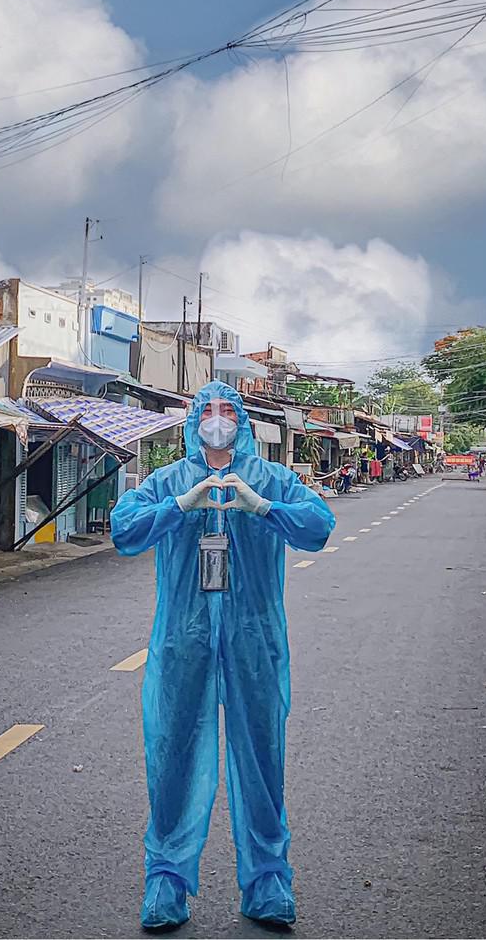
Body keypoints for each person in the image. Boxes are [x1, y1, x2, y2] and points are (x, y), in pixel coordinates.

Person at [111, 381, 336, 930]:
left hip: (254, 640)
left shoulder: (272, 479)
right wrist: (178, 506)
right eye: (207, 410)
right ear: (193, 421)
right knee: (173, 754)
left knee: (261, 755)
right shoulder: (169, 480)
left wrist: (262, 507)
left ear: (241, 420)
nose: (217, 419)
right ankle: (165, 881)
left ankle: (267, 880)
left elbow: (318, 526)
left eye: (226, 410)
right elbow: (124, 530)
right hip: (183, 640)